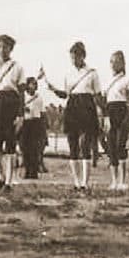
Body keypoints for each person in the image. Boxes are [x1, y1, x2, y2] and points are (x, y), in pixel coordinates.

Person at [41, 41, 102, 191]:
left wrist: (102, 115)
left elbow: (98, 95)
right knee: (73, 145)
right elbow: (66, 95)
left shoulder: (92, 73)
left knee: (85, 144)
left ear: (83, 56)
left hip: (87, 107)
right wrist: (54, 89)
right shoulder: (68, 74)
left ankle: (85, 183)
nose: (74, 60)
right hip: (73, 107)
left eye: (76, 57)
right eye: (72, 57)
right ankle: (77, 182)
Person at [0, 34, 24, 192]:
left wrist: (20, 115)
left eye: (6, 47)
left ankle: (8, 181)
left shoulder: (17, 67)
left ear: (11, 49)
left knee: (10, 145)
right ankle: (1, 175)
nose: (2, 50)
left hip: (11, 103)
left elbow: (21, 93)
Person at [104, 51, 129, 191]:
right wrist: (105, 117)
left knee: (120, 146)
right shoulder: (108, 81)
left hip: (122, 112)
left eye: (117, 61)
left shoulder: (127, 80)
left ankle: (122, 181)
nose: (114, 64)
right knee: (111, 147)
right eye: (111, 61)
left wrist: (127, 118)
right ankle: (114, 181)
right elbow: (104, 101)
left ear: (122, 63)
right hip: (110, 112)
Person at [19, 77, 46, 180]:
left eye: (35, 84)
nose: (33, 86)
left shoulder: (39, 97)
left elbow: (42, 112)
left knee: (35, 149)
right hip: (26, 123)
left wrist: (43, 126)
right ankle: (27, 171)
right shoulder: (23, 97)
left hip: (36, 123)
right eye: (31, 84)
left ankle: (34, 172)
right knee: (25, 148)